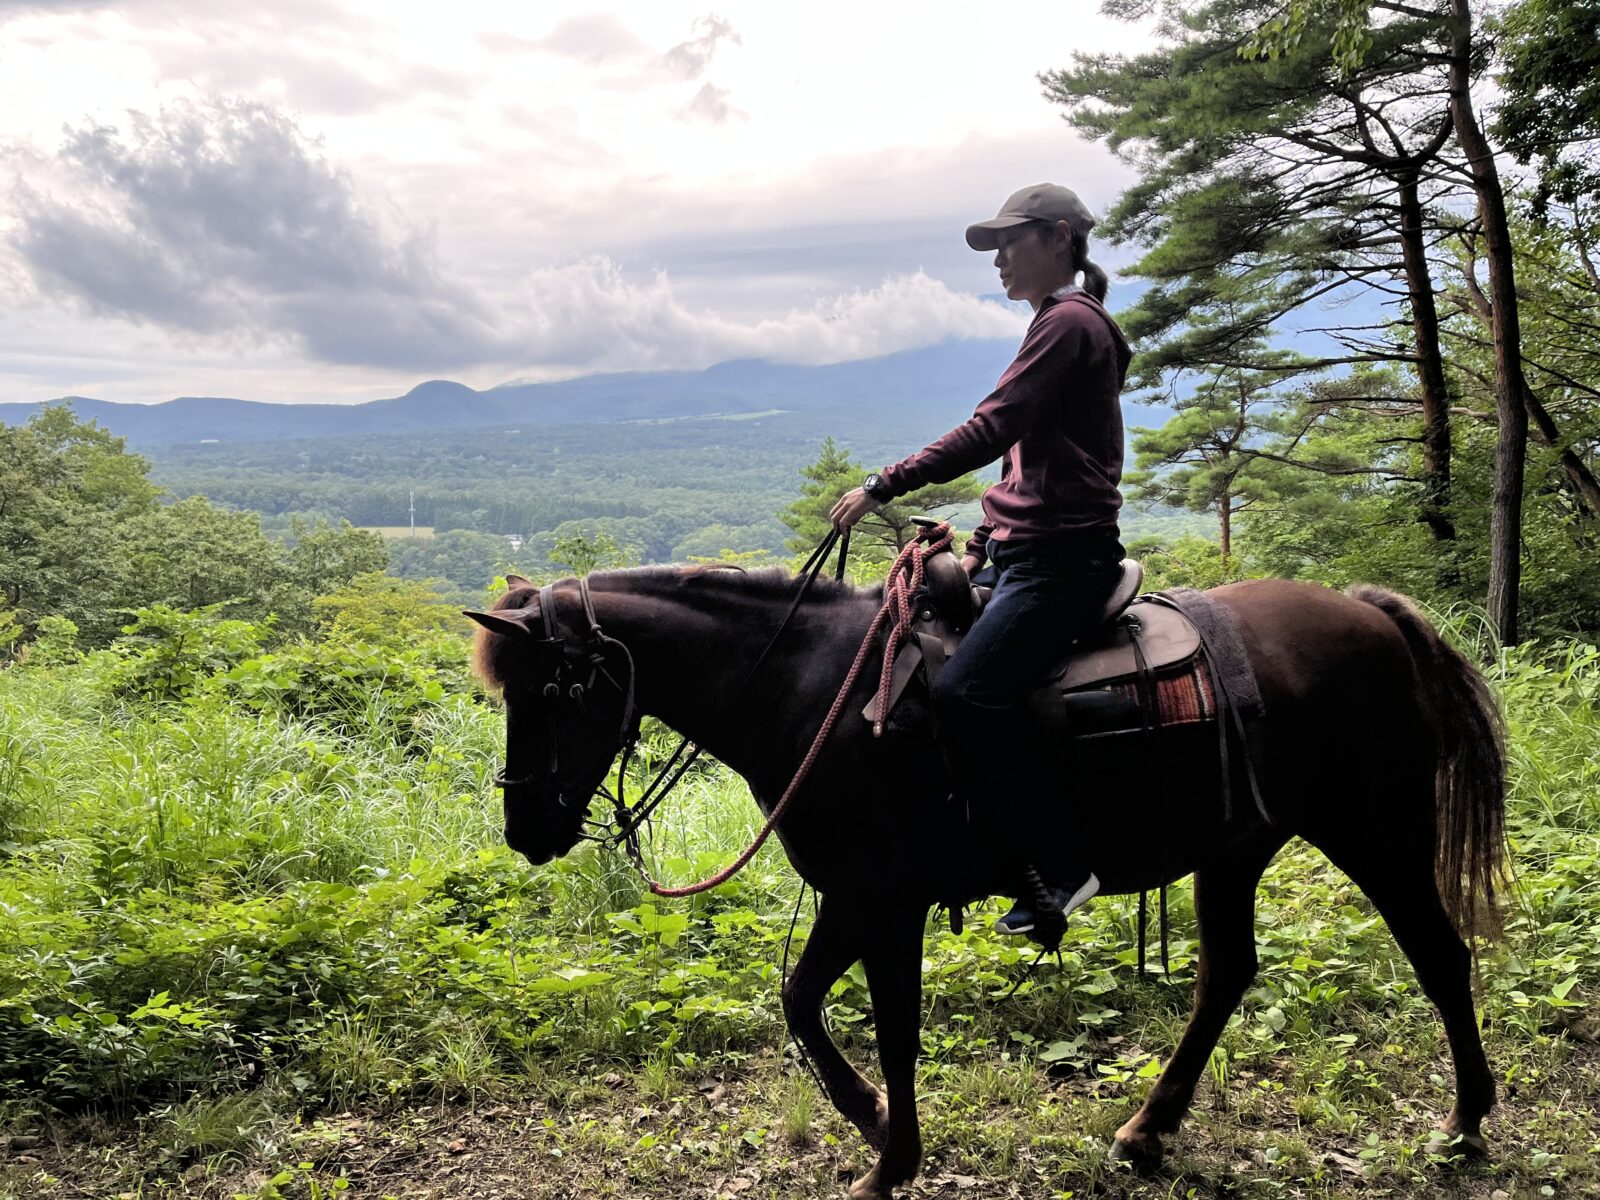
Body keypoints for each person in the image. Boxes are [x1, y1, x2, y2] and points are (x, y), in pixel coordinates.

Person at [829, 182, 1131, 936]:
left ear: (1059, 237)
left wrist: (884, 483)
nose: (998, 259)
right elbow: (1026, 460)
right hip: (1022, 552)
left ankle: (1063, 865)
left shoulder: (1067, 323)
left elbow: (991, 428)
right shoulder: (1057, 323)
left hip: (1062, 563)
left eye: (1011, 241)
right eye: (993, 246)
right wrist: (982, 544)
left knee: (968, 693)